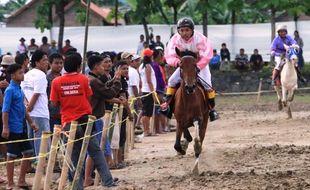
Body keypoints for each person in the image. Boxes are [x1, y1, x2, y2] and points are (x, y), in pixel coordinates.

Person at [50, 53, 118, 189]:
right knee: (96, 152)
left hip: (68, 122)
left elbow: (53, 103)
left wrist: (65, 102)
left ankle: (77, 186)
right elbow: (89, 96)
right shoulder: (83, 79)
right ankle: (108, 181)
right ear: (77, 65)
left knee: (73, 156)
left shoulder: (56, 82)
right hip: (85, 120)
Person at [161, 17, 219, 121]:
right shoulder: (174, 39)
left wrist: (198, 66)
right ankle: (168, 107)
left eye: (187, 30)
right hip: (184, 66)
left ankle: (212, 110)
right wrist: (177, 62)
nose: (184, 33)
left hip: (199, 65)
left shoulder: (200, 38)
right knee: (172, 81)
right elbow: (169, 55)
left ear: (192, 30)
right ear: (178, 31)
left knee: (207, 84)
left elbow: (207, 55)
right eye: (181, 30)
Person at [84, 55, 122, 187]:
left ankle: (103, 177)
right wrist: (117, 81)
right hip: (94, 118)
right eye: (102, 65)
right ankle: (88, 178)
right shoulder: (93, 81)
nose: (104, 67)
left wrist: (112, 81)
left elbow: (104, 88)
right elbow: (108, 94)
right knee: (95, 151)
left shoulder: (92, 79)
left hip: (93, 118)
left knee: (97, 150)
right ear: (95, 66)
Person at [2, 64, 38, 190]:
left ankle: (21, 180)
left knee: (28, 152)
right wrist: (5, 127)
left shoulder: (19, 89)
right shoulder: (10, 90)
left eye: (23, 72)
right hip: (13, 127)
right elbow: (5, 110)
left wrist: (31, 122)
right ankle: (10, 183)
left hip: (21, 127)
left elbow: (23, 109)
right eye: (20, 73)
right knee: (11, 155)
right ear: (13, 75)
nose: (23, 75)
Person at [21, 50, 50, 157]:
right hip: (39, 112)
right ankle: (41, 165)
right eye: (44, 60)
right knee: (41, 140)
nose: (47, 62)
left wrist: (27, 107)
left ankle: (34, 163)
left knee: (32, 139)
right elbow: (37, 93)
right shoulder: (41, 75)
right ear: (37, 62)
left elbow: (22, 93)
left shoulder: (27, 74)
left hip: (29, 113)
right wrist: (30, 107)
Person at [139, 48, 157, 135]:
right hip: (148, 91)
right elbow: (149, 81)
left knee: (146, 111)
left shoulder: (142, 66)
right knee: (147, 112)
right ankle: (146, 131)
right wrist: (153, 92)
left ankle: (147, 130)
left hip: (145, 90)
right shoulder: (147, 66)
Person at [46, 53, 63, 132]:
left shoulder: (62, 77)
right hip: (51, 113)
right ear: (50, 64)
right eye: (56, 63)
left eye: (61, 63)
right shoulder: (47, 78)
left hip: (62, 113)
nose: (59, 65)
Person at [152, 47, 167, 134]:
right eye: (161, 56)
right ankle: (158, 129)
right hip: (158, 90)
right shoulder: (155, 66)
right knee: (159, 109)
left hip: (161, 89)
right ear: (157, 57)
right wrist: (161, 89)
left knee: (161, 109)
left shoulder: (158, 66)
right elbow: (157, 79)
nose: (163, 58)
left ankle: (161, 127)